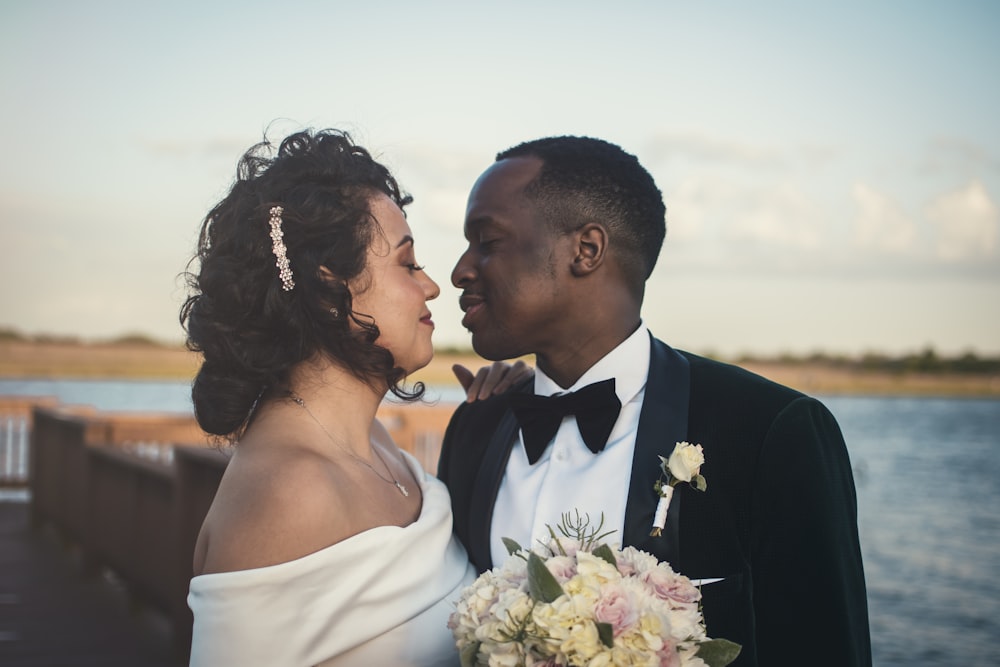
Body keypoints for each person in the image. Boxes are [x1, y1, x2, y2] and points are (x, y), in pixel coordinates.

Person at [438, 136, 872, 666]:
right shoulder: (476, 426)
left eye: (487, 241)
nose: (460, 270)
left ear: (586, 250)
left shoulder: (768, 431)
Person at [181, 128, 525, 666]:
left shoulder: (375, 441)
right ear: (329, 286)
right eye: (408, 264)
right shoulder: (290, 491)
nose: (432, 286)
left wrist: (508, 411)